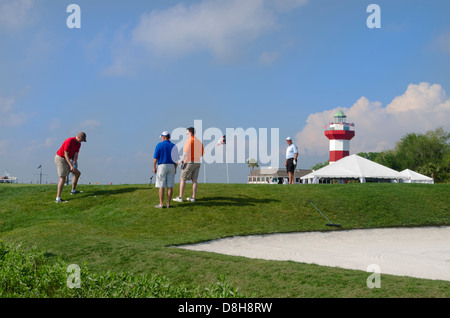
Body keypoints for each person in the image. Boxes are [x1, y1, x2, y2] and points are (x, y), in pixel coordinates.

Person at [173, 127, 204, 203]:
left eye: (187, 133)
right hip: (197, 162)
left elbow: (185, 153)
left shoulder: (189, 141)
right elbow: (202, 154)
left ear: (190, 133)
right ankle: (193, 197)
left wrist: (183, 161)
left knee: (183, 179)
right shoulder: (199, 142)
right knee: (194, 180)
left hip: (189, 162)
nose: (186, 135)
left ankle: (180, 197)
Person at [54, 132, 86, 202]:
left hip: (67, 159)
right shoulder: (69, 141)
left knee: (77, 173)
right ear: (78, 137)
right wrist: (71, 166)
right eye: (82, 140)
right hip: (60, 158)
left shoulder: (78, 144)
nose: (82, 142)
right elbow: (66, 155)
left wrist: (74, 161)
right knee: (63, 178)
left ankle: (73, 190)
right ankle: (58, 198)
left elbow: (76, 154)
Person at [153, 131, 179, 208]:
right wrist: (175, 168)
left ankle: (161, 204)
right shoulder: (174, 146)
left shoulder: (159, 145)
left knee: (161, 186)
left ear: (164, 137)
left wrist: (154, 167)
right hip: (171, 165)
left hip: (162, 166)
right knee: (170, 186)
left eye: (161, 137)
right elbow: (176, 160)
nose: (161, 138)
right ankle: (168, 203)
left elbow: (155, 158)